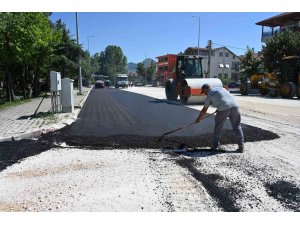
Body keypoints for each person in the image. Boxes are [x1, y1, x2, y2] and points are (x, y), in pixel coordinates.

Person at [195, 84, 244, 153]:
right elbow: (225, 92)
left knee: (218, 127)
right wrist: (220, 105)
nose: (205, 94)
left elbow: (204, 110)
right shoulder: (220, 88)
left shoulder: (209, 95)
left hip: (224, 108)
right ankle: (241, 146)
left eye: (204, 92)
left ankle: (215, 146)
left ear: (205, 89)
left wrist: (198, 119)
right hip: (235, 106)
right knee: (237, 126)